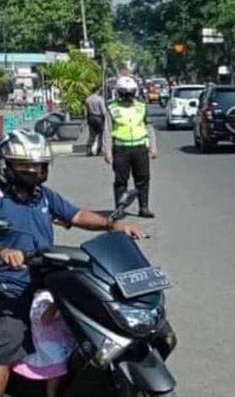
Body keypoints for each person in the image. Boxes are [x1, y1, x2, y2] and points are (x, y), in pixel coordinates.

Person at [0, 129, 146, 395]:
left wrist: (113, 225)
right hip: (10, 285)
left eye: (39, 165)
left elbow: (76, 215)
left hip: (47, 278)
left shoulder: (43, 196)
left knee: (91, 316)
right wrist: (4, 252)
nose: (34, 170)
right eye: (27, 165)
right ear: (9, 165)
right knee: (7, 344)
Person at [103, 76, 158, 219]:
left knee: (143, 178)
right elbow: (107, 130)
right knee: (121, 181)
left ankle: (144, 207)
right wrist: (107, 151)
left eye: (130, 92)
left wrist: (153, 146)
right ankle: (120, 208)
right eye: (124, 92)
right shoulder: (112, 108)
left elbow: (149, 127)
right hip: (121, 149)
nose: (127, 96)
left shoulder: (141, 107)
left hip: (140, 147)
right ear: (118, 92)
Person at [84, 88, 107, 157]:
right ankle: (99, 150)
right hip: (99, 117)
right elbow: (103, 111)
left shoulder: (88, 99)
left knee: (92, 134)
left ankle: (88, 150)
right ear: (97, 91)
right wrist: (106, 119)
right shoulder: (100, 99)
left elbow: (86, 111)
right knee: (101, 134)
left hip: (91, 117)